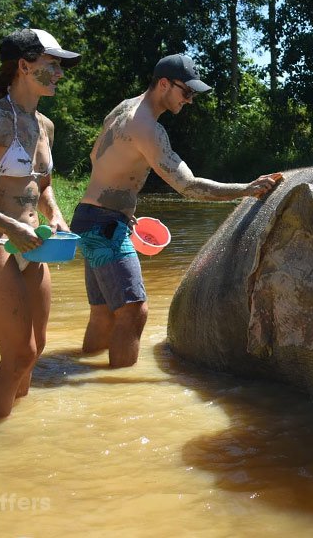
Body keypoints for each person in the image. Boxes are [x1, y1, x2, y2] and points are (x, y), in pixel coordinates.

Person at [70, 54, 282, 368]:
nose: (190, 101)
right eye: (187, 92)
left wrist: (120, 208)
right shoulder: (147, 128)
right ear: (164, 84)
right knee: (133, 310)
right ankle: (118, 396)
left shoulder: (123, 108)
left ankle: (79, 378)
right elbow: (189, 186)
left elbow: (96, 156)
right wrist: (248, 189)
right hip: (105, 224)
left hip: (88, 217)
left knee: (104, 314)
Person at [0, 28, 81, 419]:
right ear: (24, 66)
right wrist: (10, 227)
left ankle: (13, 447)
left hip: (33, 247)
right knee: (18, 353)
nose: (59, 73)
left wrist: (54, 215)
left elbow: (44, 186)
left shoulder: (45, 126)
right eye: (52, 65)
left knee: (34, 351)